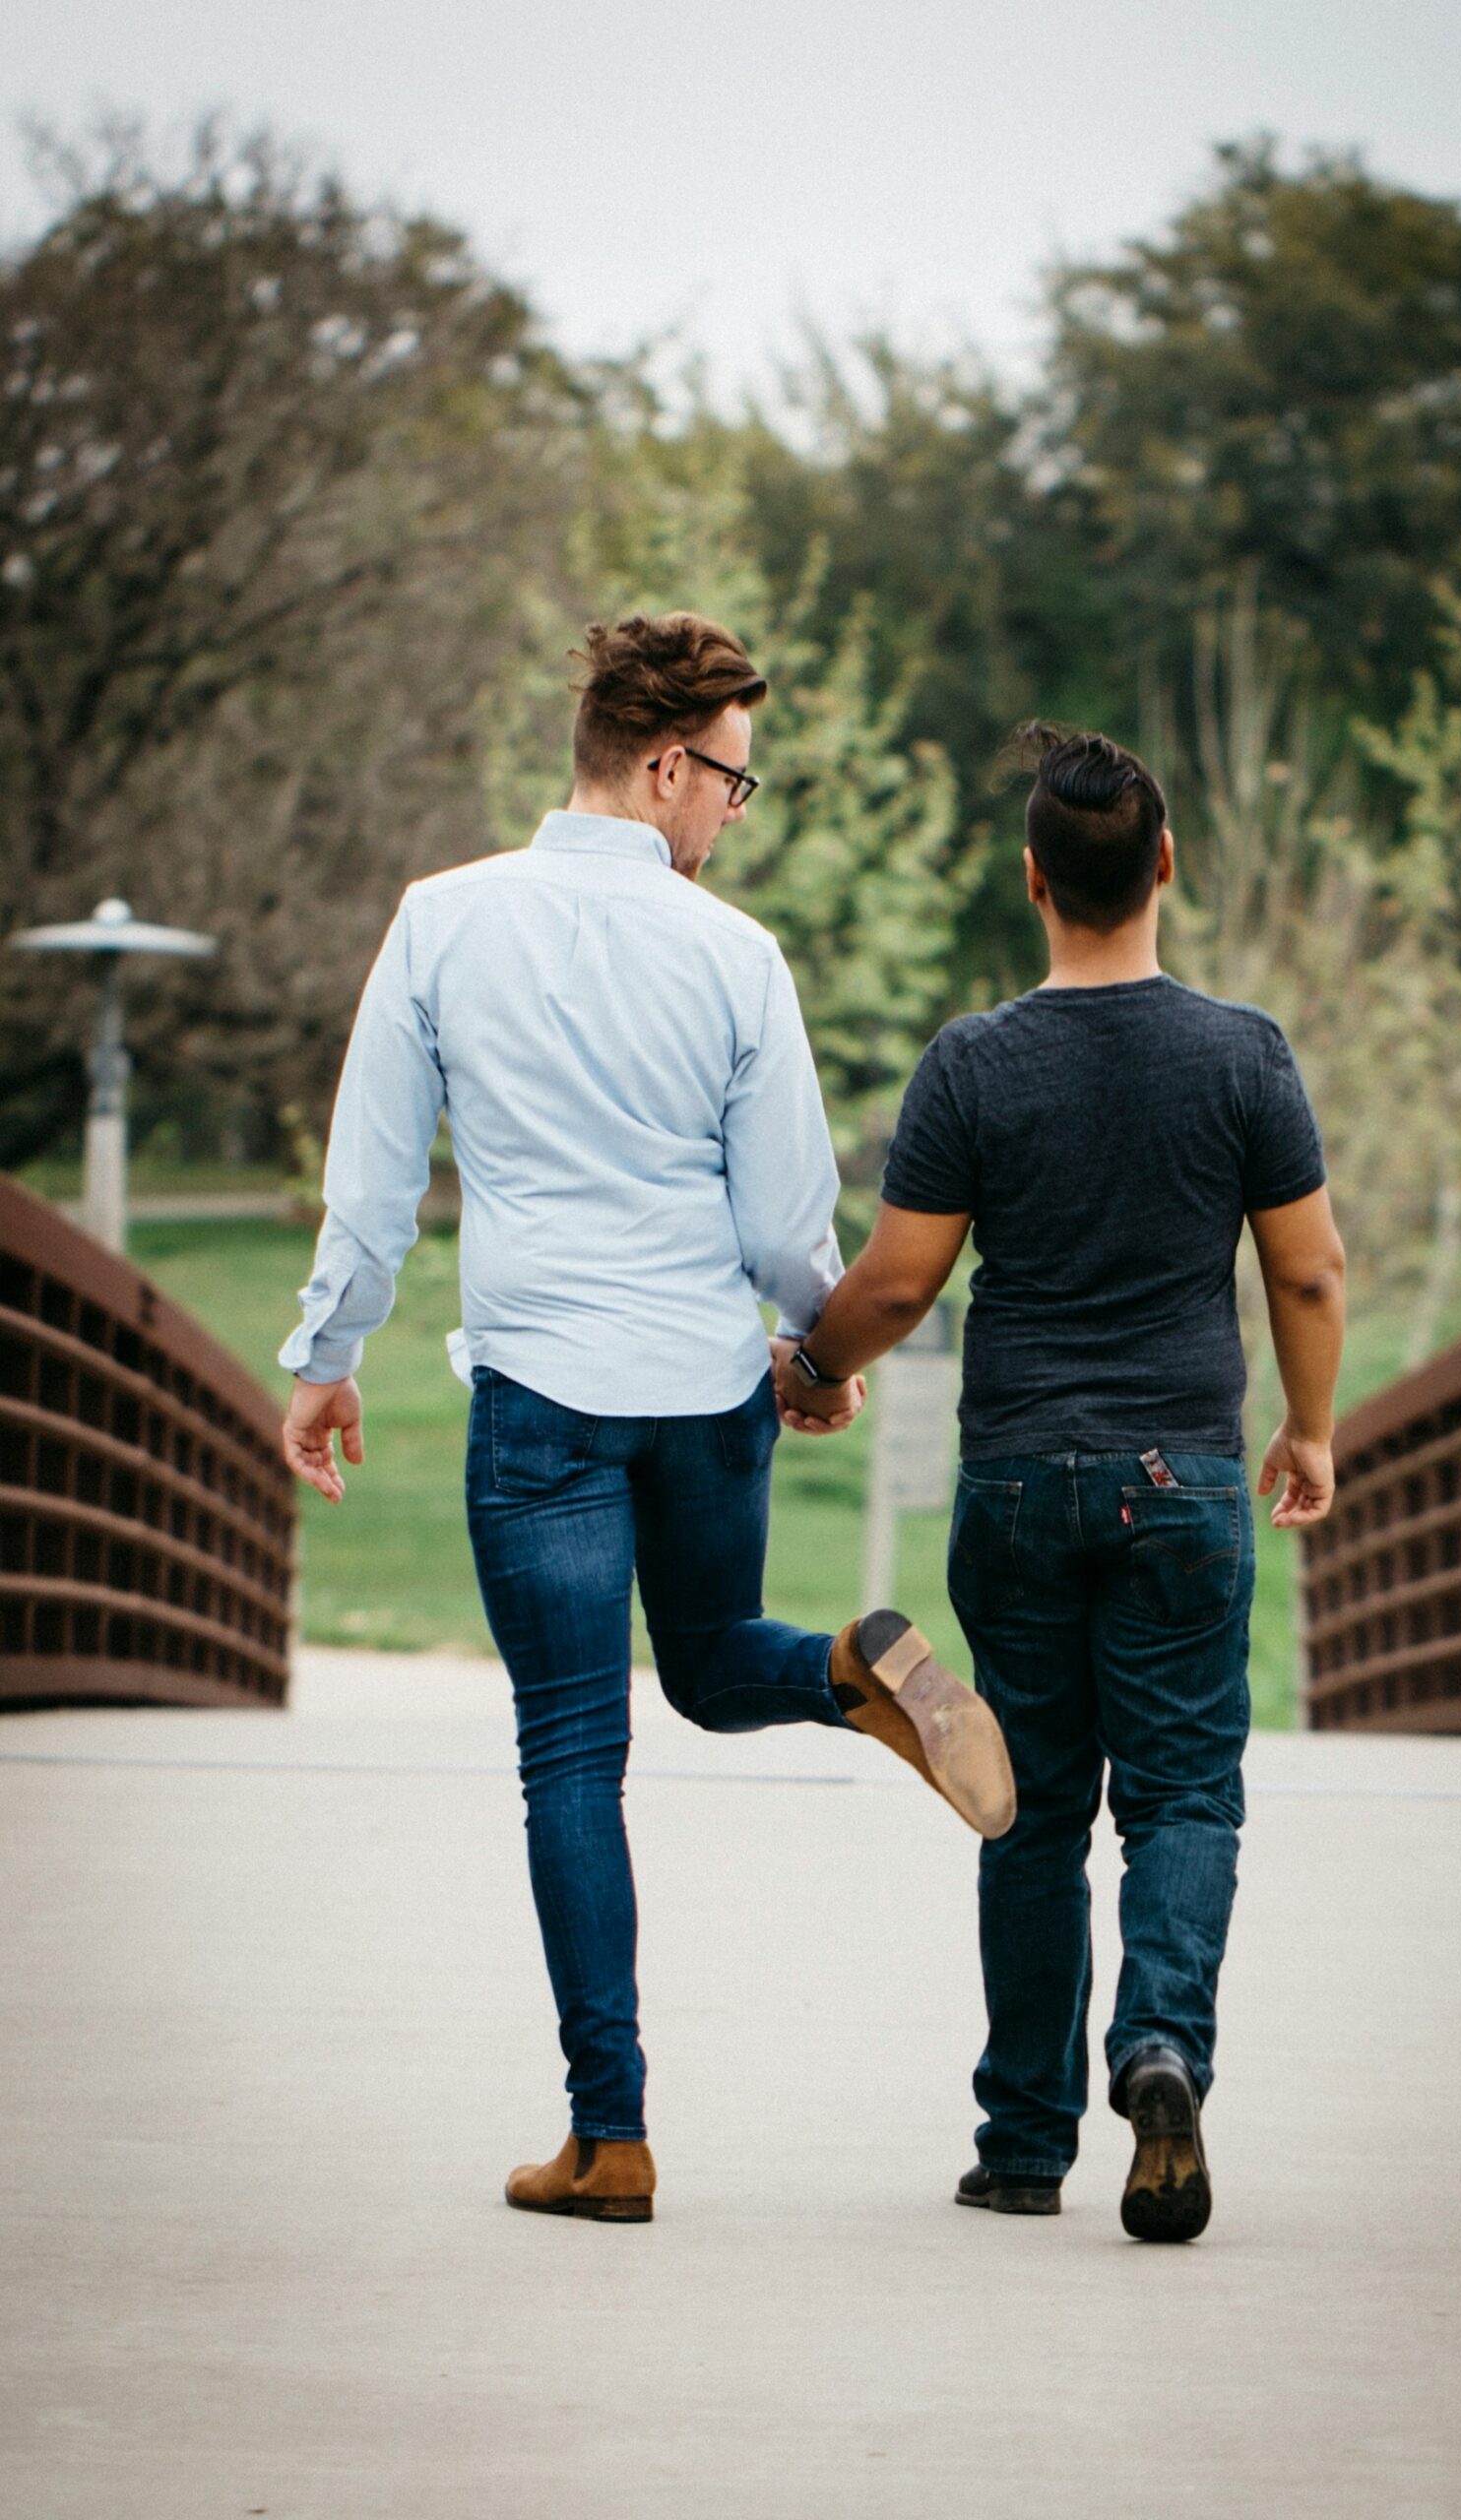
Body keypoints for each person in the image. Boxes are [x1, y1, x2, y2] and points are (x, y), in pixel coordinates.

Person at [277, 612, 1013, 2226]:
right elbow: (782, 1220)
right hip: (702, 1395)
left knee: (569, 1759)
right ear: (670, 763)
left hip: (541, 1396)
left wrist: (326, 1355)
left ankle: (609, 2139)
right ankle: (844, 1668)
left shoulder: (439, 921)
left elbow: (378, 1174)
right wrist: (813, 1360)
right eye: (733, 788)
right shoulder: (734, 956)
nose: (728, 821)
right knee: (704, 1666)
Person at [770, 722, 1345, 2243]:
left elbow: (896, 1285)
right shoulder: (1242, 1055)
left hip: (1020, 1479)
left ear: (1033, 880)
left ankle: (1022, 2144)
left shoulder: (973, 1059)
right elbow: (1307, 1274)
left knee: (1024, 1810)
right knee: (1181, 1798)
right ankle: (1158, 2049)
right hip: (1182, 1481)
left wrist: (813, 1367)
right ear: (1165, 863)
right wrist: (1309, 1430)